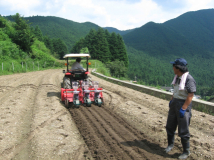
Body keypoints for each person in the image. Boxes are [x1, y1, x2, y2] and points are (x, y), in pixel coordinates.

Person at [165, 58, 196, 159]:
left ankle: (186, 151)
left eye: (174, 66)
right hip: (175, 103)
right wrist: (172, 99)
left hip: (183, 104)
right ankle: (170, 145)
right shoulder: (177, 77)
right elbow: (176, 89)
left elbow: (191, 94)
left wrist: (184, 108)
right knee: (170, 125)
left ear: (178, 68)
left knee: (183, 129)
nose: (172, 68)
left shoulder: (189, 79)